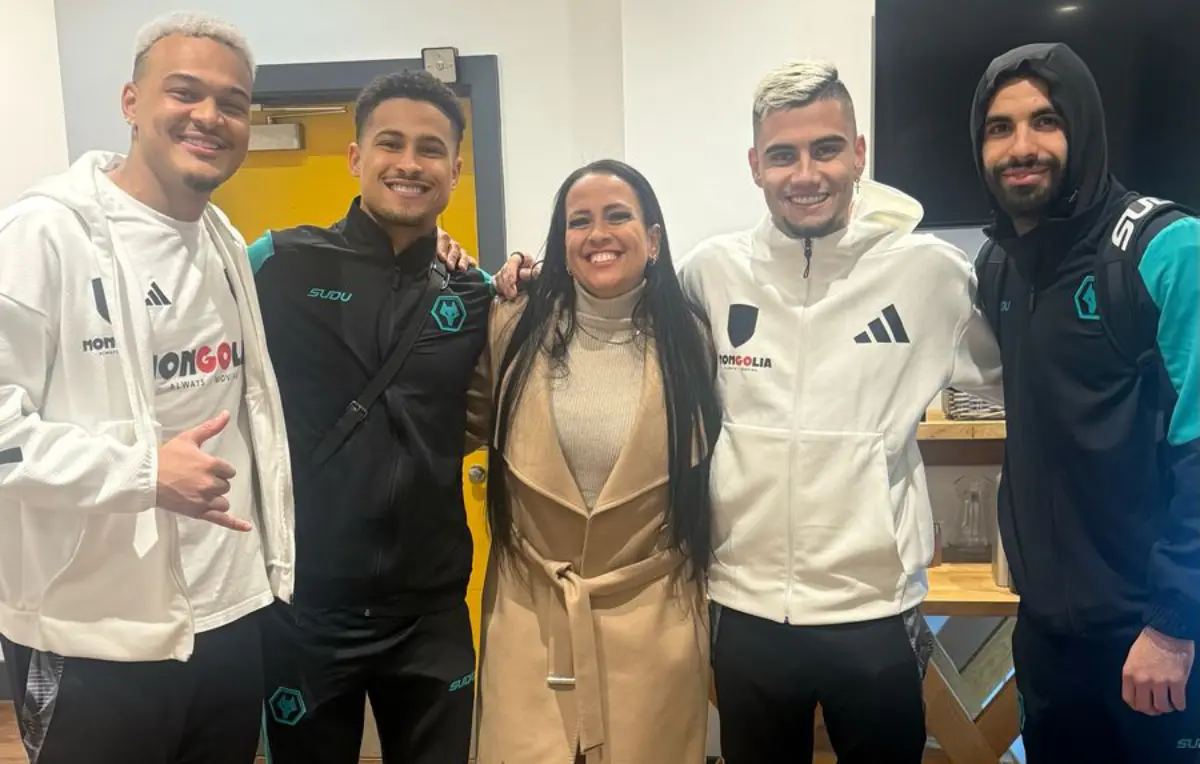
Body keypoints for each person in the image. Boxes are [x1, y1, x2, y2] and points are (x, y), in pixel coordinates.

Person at [496, 60, 1003, 764]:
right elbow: (616, 312)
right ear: (755, 165)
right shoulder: (711, 271)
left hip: (874, 611)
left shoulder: (932, 275)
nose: (805, 173)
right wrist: (532, 280)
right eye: (782, 154)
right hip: (744, 609)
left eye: (826, 148)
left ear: (858, 154)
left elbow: (1011, 380)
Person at [0, 12, 294, 764]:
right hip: (97, 638)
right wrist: (142, 471)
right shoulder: (45, 235)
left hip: (229, 618)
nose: (210, 116)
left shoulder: (223, 239)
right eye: (184, 92)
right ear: (132, 102)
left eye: (232, 103)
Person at [251, 69, 492, 764]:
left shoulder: (472, 294)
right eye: (391, 143)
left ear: (455, 168)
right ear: (357, 157)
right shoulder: (276, 264)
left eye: (430, 148)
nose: (410, 163)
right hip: (305, 608)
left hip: (432, 614)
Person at [970, 42, 1200, 763]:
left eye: (1046, 121)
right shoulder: (999, 266)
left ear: (1085, 127)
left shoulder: (1168, 249)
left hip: (1155, 641)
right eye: (999, 128)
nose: (1021, 147)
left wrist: (1172, 623)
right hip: (1046, 638)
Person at [466, 158, 721, 764]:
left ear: (653, 238)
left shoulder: (694, 340)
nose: (598, 233)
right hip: (531, 618)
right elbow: (453, 423)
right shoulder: (510, 323)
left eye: (618, 216)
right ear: (560, 243)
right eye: (579, 221)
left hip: (654, 623)